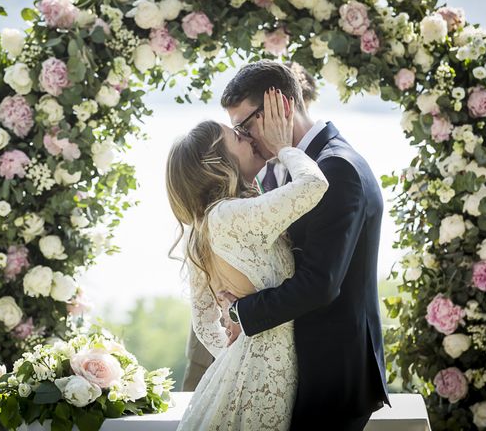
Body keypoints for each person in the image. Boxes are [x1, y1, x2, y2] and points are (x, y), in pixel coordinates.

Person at [219, 60, 390, 430]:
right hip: (314, 368)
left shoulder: (336, 168)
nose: (245, 140)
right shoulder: (304, 166)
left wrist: (241, 312)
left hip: (332, 375)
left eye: (245, 127)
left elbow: (320, 283)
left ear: (280, 105)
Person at [166, 89, 329, 430]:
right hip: (264, 376)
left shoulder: (210, 219)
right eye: (236, 137)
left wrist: (233, 353)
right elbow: (313, 184)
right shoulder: (230, 216)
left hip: (247, 371)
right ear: (218, 162)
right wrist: (286, 146)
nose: (247, 137)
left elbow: (203, 321)